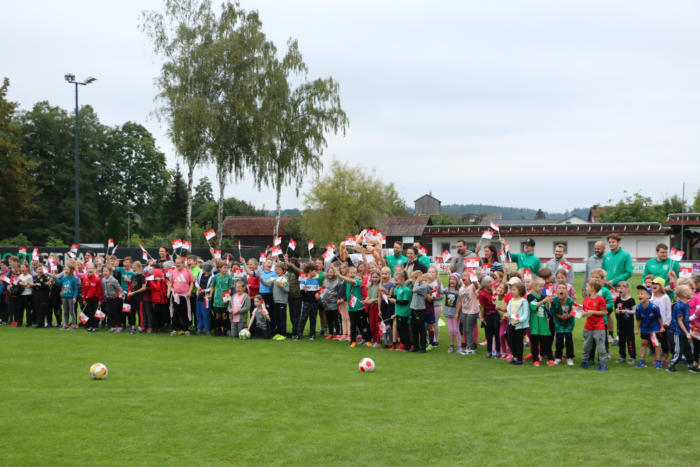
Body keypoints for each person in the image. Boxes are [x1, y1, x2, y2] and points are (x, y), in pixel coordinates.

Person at [333, 264, 372, 348]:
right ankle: (353, 341)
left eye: (354, 272)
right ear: (348, 273)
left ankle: (368, 340)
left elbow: (344, 277)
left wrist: (340, 275)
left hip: (359, 307)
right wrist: (333, 268)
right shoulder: (347, 281)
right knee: (353, 324)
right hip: (351, 308)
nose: (352, 274)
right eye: (351, 272)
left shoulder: (357, 281)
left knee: (363, 324)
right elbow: (340, 276)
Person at [667, 285, 700, 372]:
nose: (692, 291)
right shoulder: (679, 306)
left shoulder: (686, 305)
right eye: (690, 290)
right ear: (685, 294)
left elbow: (685, 320)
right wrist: (687, 333)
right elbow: (680, 321)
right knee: (679, 351)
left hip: (684, 332)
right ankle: (671, 366)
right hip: (677, 332)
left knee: (688, 350)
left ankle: (692, 366)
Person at [580, 279, 609, 370]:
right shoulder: (586, 298)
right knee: (586, 346)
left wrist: (592, 312)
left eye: (587, 286)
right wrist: (580, 312)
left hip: (599, 327)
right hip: (588, 327)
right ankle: (585, 361)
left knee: (601, 347)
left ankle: (603, 364)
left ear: (592, 288)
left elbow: (604, 312)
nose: (586, 288)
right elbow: (585, 311)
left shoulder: (600, 299)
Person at [635, 285, 663, 369]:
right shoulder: (638, 308)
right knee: (643, 343)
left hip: (654, 329)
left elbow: (659, 317)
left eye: (642, 294)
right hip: (644, 329)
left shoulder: (654, 307)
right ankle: (642, 360)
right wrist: (637, 329)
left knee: (656, 344)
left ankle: (658, 361)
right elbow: (638, 319)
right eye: (638, 294)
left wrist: (661, 327)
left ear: (649, 296)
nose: (640, 295)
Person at [527, 277, 553, 366]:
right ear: (534, 286)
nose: (542, 288)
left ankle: (550, 359)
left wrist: (548, 302)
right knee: (534, 344)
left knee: (547, 343)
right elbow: (533, 306)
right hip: (534, 324)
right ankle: (535, 360)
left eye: (543, 286)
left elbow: (546, 309)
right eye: (540, 286)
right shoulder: (530, 296)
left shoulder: (543, 297)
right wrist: (544, 301)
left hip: (543, 324)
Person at [260, 263, 289, 337]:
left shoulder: (285, 278)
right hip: (275, 301)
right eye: (276, 269)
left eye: (279, 269)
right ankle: (278, 332)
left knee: (282, 318)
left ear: (284, 271)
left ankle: (283, 333)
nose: (277, 271)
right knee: (277, 318)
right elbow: (267, 284)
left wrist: (282, 286)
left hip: (282, 302)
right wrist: (261, 278)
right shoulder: (275, 278)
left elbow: (287, 290)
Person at [168, 257, 194, 336]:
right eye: (176, 263)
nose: (177, 264)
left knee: (185, 313)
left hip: (184, 296)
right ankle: (175, 329)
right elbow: (170, 282)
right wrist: (168, 291)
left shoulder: (188, 272)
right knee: (175, 313)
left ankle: (186, 329)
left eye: (179, 263)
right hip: (175, 296)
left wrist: (189, 291)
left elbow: (192, 282)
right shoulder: (173, 272)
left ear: (183, 264)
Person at [407, 270, 431, 353]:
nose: (413, 280)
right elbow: (406, 284)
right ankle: (416, 347)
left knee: (421, 330)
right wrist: (411, 280)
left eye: (414, 278)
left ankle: (423, 348)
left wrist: (417, 281)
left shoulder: (424, 286)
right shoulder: (416, 284)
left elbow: (415, 289)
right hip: (413, 309)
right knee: (414, 329)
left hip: (420, 310)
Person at [456, 270, 480, 355]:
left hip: (472, 311)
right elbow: (460, 301)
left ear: (470, 278)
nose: (463, 277)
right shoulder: (461, 288)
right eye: (462, 276)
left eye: (465, 276)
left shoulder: (472, 286)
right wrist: (457, 313)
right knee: (465, 330)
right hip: (464, 311)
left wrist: (474, 278)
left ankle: (471, 348)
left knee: (469, 329)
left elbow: (477, 286)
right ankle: (468, 347)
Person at [551, 283, 575, 365]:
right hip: (558, 322)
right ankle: (558, 357)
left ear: (566, 291)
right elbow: (553, 312)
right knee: (559, 340)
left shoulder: (570, 300)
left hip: (569, 322)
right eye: (559, 288)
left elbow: (574, 310)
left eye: (563, 288)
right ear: (556, 291)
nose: (561, 289)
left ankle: (570, 357)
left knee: (569, 339)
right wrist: (560, 316)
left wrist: (568, 316)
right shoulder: (554, 301)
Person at [506, 281, 530, 365]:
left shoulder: (524, 302)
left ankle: (520, 359)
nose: (512, 291)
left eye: (514, 290)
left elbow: (525, 315)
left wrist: (519, 320)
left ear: (520, 291)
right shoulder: (511, 300)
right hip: (512, 323)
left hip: (520, 325)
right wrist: (508, 315)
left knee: (518, 342)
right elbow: (508, 309)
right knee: (510, 340)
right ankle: (515, 356)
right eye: (511, 290)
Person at [650, 277, 672, 364]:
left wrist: (666, 323)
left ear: (661, 286)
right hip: (653, 324)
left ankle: (665, 358)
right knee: (654, 342)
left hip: (663, 325)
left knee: (664, 342)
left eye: (656, 284)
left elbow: (668, 311)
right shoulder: (652, 298)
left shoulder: (665, 297)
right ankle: (656, 357)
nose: (654, 285)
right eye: (653, 284)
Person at [614, 281, 636, 364]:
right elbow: (616, 309)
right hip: (620, 324)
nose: (619, 289)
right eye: (618, 288)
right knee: (621, 341)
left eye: (622, 288)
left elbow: (634, 311)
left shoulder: (631, 300)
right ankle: (622, 356)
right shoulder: (618, 299)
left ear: (627, 289)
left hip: (629, 325)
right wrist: (617, 311)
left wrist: (625, 311)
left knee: (630, 340)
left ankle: (632, 357)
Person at [296, 263, 321, 340]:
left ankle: (312, 334)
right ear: (310, 271)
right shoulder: (303, 281)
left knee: (313, 319)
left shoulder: (316, 281)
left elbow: (317, 292)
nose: (316, 273)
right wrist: (304, 290)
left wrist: (317, 295)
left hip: (314, 303)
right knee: (303, 318)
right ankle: (299, 335)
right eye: (314, 271)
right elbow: (302, 293)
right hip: (306, 303)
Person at [210, 262, 234, 336]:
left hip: (225, 299)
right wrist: (211, 295)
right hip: (217, 298)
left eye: (227, 268)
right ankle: (217, 329)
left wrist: (227, 299)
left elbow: (230, 288)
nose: (225, 269)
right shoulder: (216, 277)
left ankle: (225, 329)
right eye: (224, 267)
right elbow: (212, 286)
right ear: (219, 268)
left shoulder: (229, 277)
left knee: (224, 315)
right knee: (217, 315)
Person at [479, 276, 500, 358]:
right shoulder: (482, 294)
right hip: (487, 313)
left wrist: (493, 290)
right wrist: (482, 318)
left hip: (496, 312)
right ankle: (489, 351)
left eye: (491, 282)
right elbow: (482, 307)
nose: (491, 284)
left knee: (497, 333)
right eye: (489, 282)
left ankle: (498, 351)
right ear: (484, 284)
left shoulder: (494, 290)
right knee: (489, 334)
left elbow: (496, 300)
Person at [390, 270, 411, 351]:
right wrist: (392, 298)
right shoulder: (399, 289)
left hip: (404, 313)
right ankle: (402, 344)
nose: (395, 282)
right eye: (394, 280)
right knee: (400, 329)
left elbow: (405, 302)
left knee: (404, 330)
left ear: (402, 279)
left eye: (397, 280)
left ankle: (407, 346)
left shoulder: (406, 290)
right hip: (398, 312)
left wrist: (395, 301)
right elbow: (397, 298)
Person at [442, 273, 461, 353]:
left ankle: (459, 347)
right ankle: (451, 346)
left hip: (455, 313)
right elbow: (439, 291)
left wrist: (457, 313)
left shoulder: (459, 291)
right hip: (447, 312)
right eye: (450, 279)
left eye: (454, 279)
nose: (452, 281)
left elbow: (460, 302)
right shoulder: (447, 290)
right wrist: (438, 283)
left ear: (457, 281)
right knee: (451, 330)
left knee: (456, 330)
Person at [56, 265, 78, 329]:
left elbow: (75, 289)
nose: (66, 271)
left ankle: (73, 325)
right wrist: (55, 277)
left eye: (67, 269)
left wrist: (74, 297)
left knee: (72, 311)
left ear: (71, 270)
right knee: (65, 311)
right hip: (64, 297)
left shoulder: (73, 279)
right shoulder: (64, 278)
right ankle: (66, 324)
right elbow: (58, 283)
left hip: (71, 297)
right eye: (65, 269)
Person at [81, 264, 103, 332]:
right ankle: (91, 326)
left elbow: (99, 291)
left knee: (95, 312)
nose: (90, 270)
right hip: (88, 299)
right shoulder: (85, 280)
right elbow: (84, 291)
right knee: (90, 312)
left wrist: (100, 300)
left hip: (95, 299)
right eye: (88, 268)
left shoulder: (97, 279)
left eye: (92, 268)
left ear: (94, 270)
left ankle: (95, 326)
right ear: (86, 270)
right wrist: (84, 299)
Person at [127, 261, 146, 333]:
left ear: (139, 267)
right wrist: (130, 292)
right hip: (133, 297)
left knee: (140, 312)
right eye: (133, 267)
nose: (133, 268)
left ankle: (141, 326)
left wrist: (134, 292)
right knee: (132, 311)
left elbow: (144, 288)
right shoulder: (133, 275)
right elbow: (132, 286)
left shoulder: (142, 276)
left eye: (134, 267)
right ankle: (133, 325)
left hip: (139, 297)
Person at [194, 263, 213, 335]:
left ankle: (207, 329)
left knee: (206, 314)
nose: (202, 269)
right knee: (198, 313)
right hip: (199, 297)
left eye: (203, 268)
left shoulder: (212, 277)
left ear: (207, 270)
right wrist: (198, 287)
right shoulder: (200, 274)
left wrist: (204, 290)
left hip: (206, 298)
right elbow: (196, 282)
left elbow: (211, 287)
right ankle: (199, 329)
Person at [102, 266, 122, 333]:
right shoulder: (103, 280)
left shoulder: (113, 280)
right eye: (104, 271)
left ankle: (118, 326)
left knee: (115, 312)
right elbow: (105, 288)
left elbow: (119, 289)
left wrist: (121, 296)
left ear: (110, 272)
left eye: (106, 271)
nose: (104, 273)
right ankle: (113, 326)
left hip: (115, 299)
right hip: (108, 298)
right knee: (110, 313)